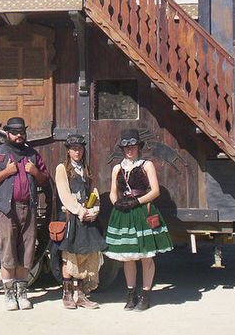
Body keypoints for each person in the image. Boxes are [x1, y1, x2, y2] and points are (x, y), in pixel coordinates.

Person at [0, 117, 49, 310]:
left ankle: (22, 292)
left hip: (29, 208)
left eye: (22, 132)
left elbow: (45, 181)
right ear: (7, 133)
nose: (19, 136)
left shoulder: (32, 155)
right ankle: (9, 294)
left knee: (26, 250)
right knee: (8, 250)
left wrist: (35, 172)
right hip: (6, 209)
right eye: (15, 132)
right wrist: (6, 172)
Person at [104, 129, 173, 311]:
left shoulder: (146, 165)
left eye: (133, 146)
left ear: (138, 147)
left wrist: (137, 201)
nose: (129, 150)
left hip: (143, 210)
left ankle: (146, 296)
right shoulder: (117, 168)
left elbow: (155, 191)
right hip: (124, 212)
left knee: (146, 256)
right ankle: (131, 295)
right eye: (126, 147)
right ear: (122, 149)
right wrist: (116, 204)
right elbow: (113, 191)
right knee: (128, 257)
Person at [54, 134, 106, 309]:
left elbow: (94, 192)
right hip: (71, 217)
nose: (77, 151)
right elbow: (65, 195)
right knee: (69, 256)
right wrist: (81, 211)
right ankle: (67, 294)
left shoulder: (86, 169)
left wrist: (94, 210)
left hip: (86, 218)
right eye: (74, 148)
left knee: (85, 255)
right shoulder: (62, 168)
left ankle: (81, 295)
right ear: (68, 150)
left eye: (80, 148)